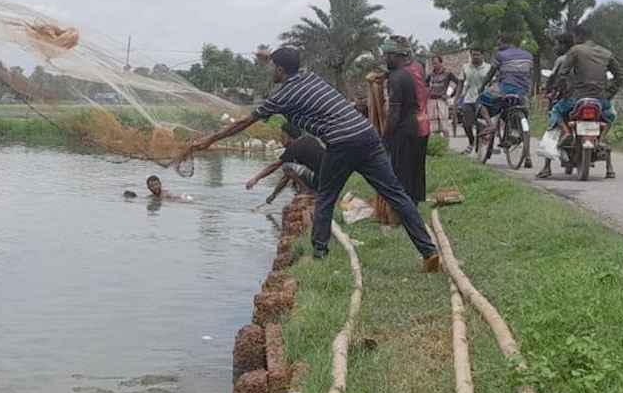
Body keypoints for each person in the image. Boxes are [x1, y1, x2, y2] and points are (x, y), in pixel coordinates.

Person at [187, 46, 439, 269]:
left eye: (273, 67)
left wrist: (210, 140)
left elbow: (243, 122)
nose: (271, 71)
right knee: (396, 194)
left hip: (341, 143)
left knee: (326, 197)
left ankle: (319, 253)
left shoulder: (282, 95)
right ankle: (429, 251)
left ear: (281, 70)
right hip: (367, 135)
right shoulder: (309, 75)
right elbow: (291, 61)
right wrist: (270, 56)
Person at [536, 24, 622, 179]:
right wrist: (608, 94)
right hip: (600, 101)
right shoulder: (606, 53)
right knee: (609, 117)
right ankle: (602, 142)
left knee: (556, 112)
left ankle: (567, 134)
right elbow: (620, 76)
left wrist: (564, 92)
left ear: (578, 36)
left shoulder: (574, 51)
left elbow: (562, 74)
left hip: (577, 99)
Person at [478, 34, 535, 168]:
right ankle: (527, 157)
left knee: (481, 101)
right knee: (523, 119)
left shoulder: (500, 55)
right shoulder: (528, 55)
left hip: (505, 89)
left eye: (499, 44)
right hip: (523, 91)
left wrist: (482, 86)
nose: (498, 46)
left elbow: (491, 72)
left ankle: (490, 124)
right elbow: (529, 74)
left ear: (505, 43)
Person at [383, 40, 427, 202]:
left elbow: (394, 113)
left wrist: (386, 137)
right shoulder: (408, 74)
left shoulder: (395, 78)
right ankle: (413, 204)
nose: (385, 60)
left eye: (386, 56)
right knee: (413, 169)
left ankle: (404, 210)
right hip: (415, 126)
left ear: (395, 56)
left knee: (402, 171)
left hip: (403, 129)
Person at [245, 122, 325, 205]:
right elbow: (286, 177)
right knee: (288, 168)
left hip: (319, 179)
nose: (280, 139)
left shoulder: (294, 147)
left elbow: (274, 166)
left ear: (288, 136)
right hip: (325, 179)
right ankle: (307, 189)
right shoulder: (309, 139)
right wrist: (273, 195)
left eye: (282, 136)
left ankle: (306, 191)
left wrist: (256, 179)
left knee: (286, 166)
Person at [458, 49, 491, 153]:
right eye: (473, 55)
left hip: (483, 100)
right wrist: (457, 99)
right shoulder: (465, 67)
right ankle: (471, 142)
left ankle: (484, 142)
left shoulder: (488, 68)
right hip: (469, 99)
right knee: (466, 124)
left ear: (482, 55)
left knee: (481, 121)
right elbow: (460, 83)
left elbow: (493, 83)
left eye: (477, 55)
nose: (475, 57)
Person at [426, 55, 460, 138]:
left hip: (442, 101)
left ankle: (446, 147)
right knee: (433, 128)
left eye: (436, 63)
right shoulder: (430, 75)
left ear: (441, 63)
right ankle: (437, 147)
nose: (434, 65)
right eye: (433, 63)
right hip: (431, 101)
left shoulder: (448, 73)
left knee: (444, 126)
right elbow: (425, 85)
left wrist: (450, 95)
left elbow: (459, 83)